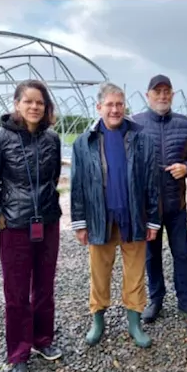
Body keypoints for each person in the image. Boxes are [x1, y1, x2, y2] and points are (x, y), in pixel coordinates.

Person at [0, 80, 64, 372]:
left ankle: (43, 339)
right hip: (15, 225)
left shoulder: (52, 139)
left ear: (46, 108)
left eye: (40, 103)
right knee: (16, 293)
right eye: (28, 101)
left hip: (48, 220)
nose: (34, 107)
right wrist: (1, 214)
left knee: (45, 286)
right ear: (16, 103)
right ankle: (18, 352)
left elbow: (54, 176)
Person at [71, 83, 161, 348]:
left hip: (134, 218)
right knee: (99, 272)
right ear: (99, 108)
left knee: (135, 272)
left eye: (119, 104)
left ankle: (134, 322)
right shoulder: (83, 142)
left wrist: (153, 219)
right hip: (101, 219)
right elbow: (77, 185)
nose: (114, 109)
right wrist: (80, 222)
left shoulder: (141, 139)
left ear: (125, 107)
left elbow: (151, 182)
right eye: (109, 105)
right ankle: (98, 320)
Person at [132, 74, 187, 324]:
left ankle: (186, 300)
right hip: (148, 207)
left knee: (182, 253)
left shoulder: (184, 124)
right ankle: (156, 299)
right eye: (157, 91)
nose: (162, 96)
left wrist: (186, 167)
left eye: (166, 91)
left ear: (172, 95)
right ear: (148, 95)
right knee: (151, 255)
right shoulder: (136, 123)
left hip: (177, 204)